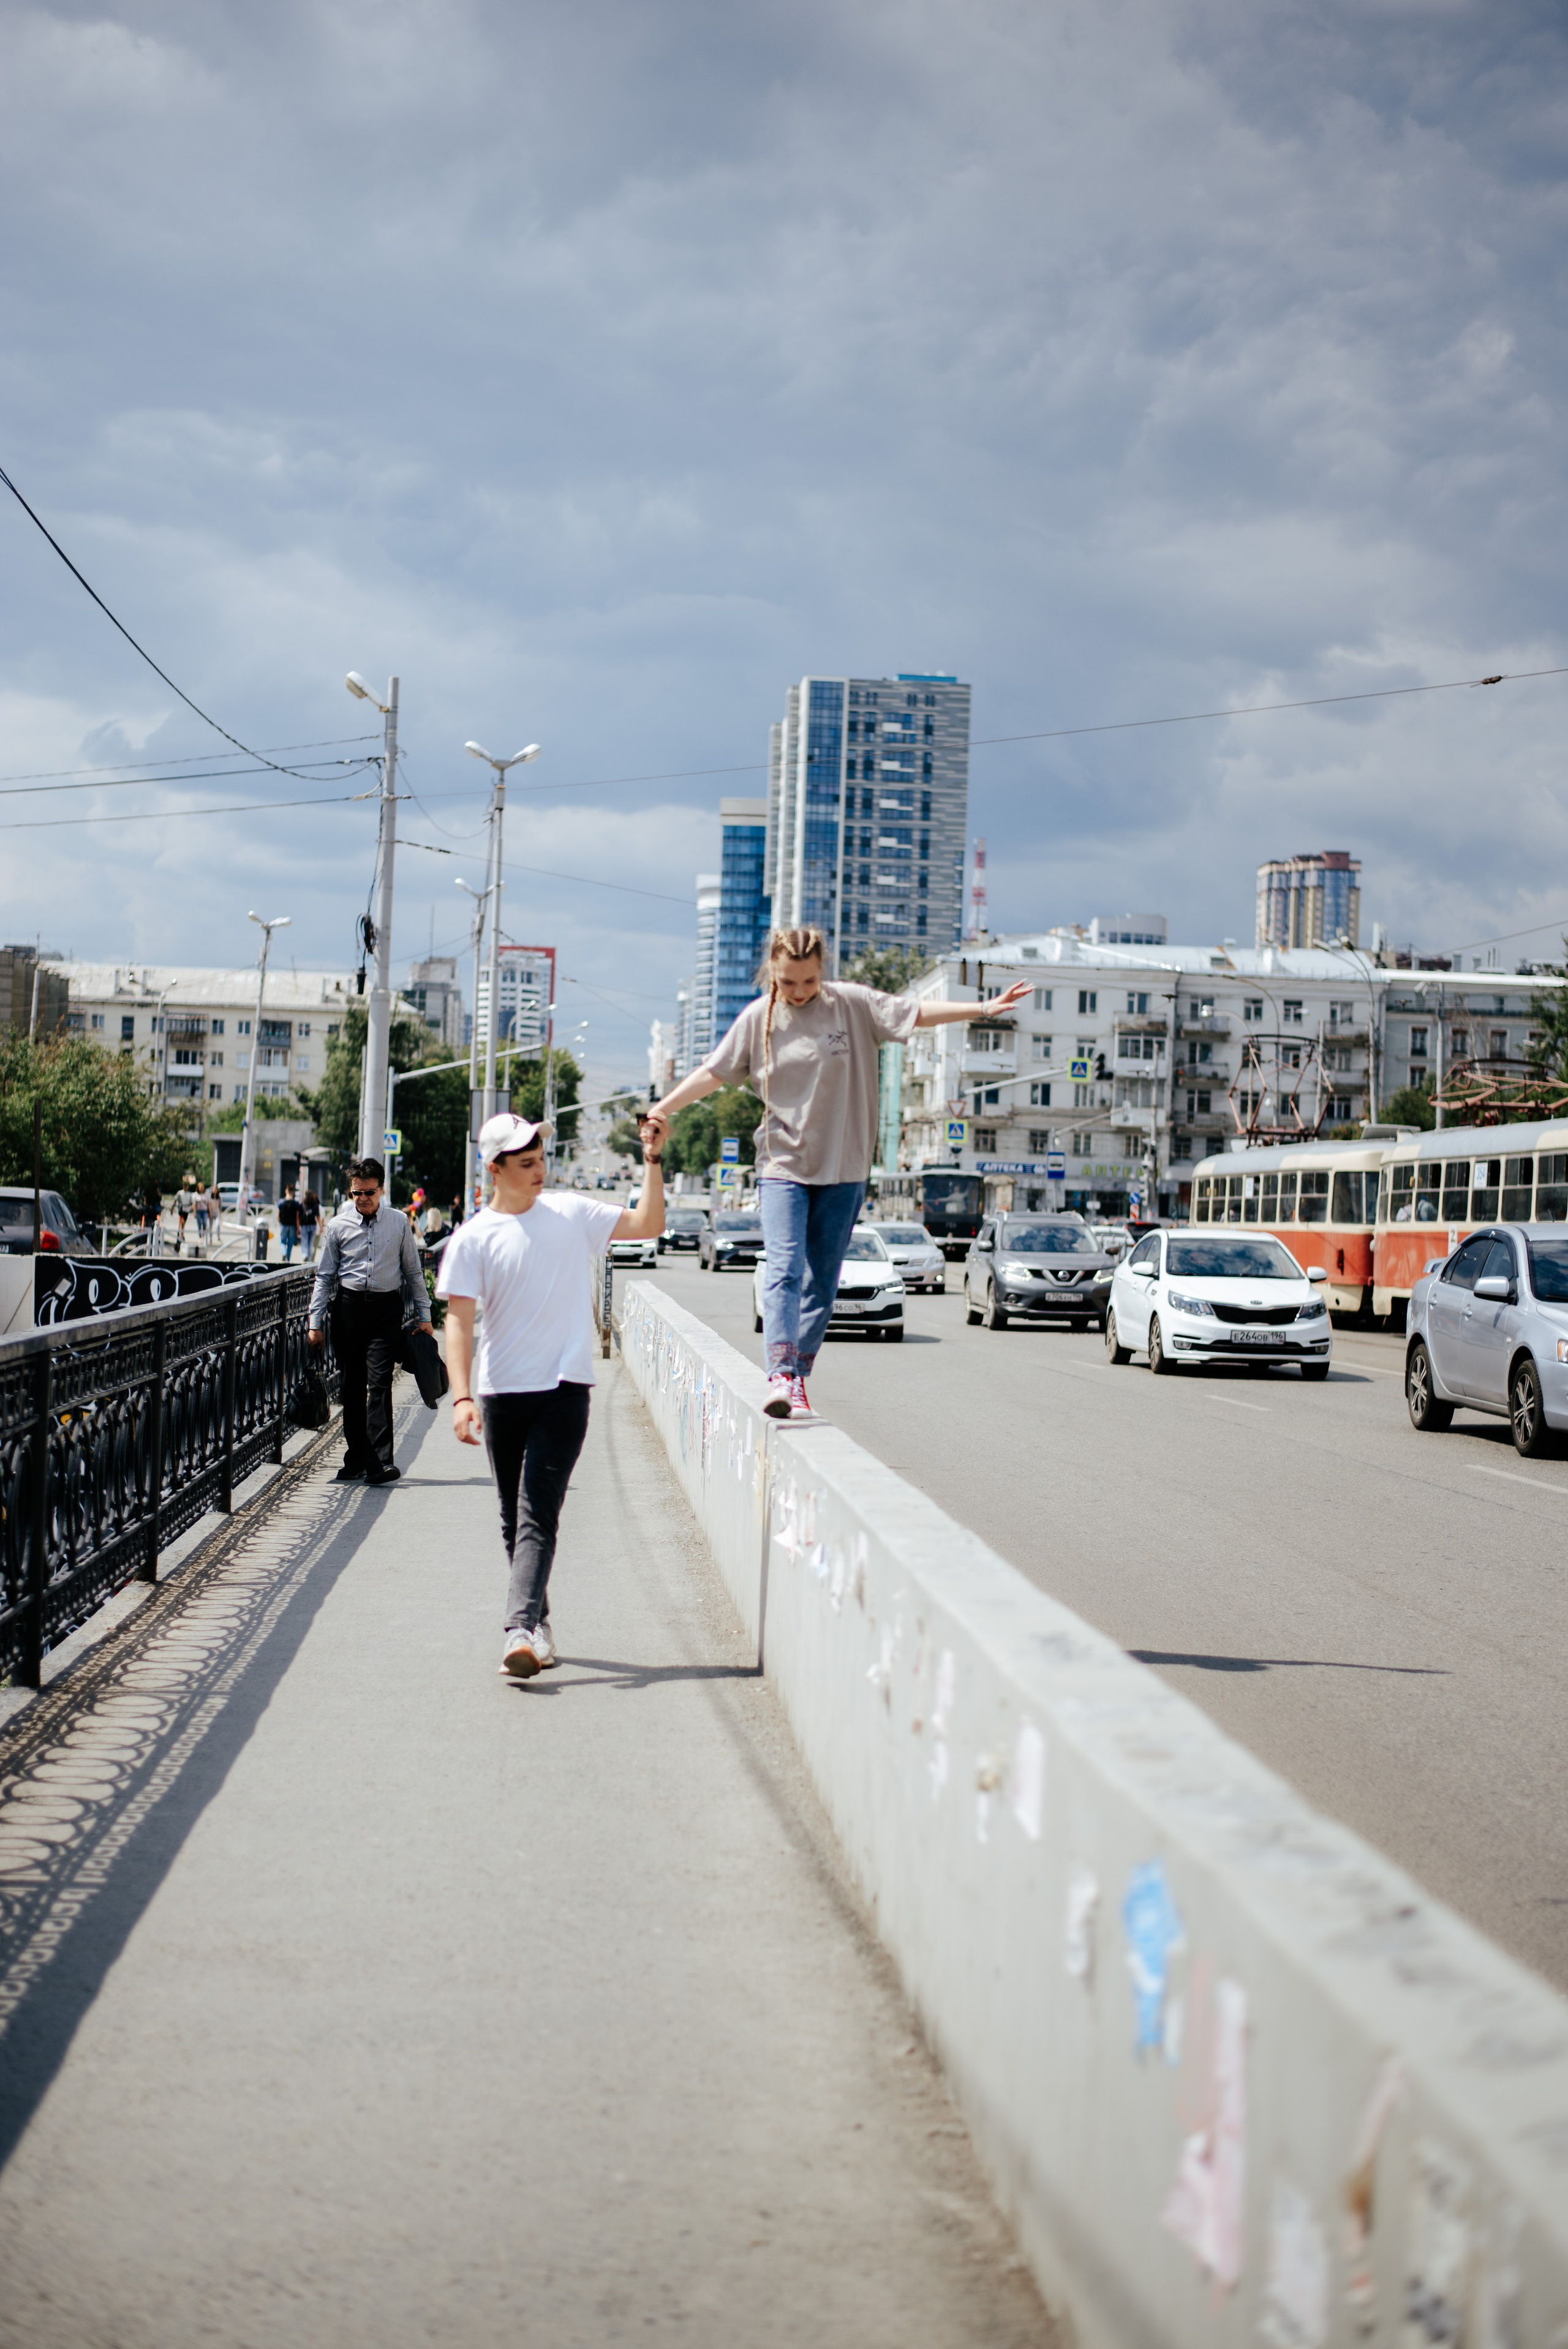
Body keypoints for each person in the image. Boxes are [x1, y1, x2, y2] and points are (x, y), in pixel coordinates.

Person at [646, 926, 1031, 1419]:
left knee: (822, 1281)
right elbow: (714, 1072)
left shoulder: (851, 1005)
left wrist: (982, 1008)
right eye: (788, 982)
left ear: (821, 971)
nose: (800, 992)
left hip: (845, 1166)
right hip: (783, 1164)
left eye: (808, 981)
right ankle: (781, 1373)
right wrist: (663, 1107)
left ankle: (800, 1372)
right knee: (783, 1268)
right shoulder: (758, 1019)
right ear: (773, 973)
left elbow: (914, 1014)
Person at [438, 1109, 666, 1680]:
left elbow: (648, 1223)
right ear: (494, 1169)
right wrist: (462, 1398)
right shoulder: (472, 1240)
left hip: (564, 1391)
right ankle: (538, 1622)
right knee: (513, 1519)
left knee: (538, 1512)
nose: (540, 1170)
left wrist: (653, 1161)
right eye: (526, 1162)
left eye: (542, 1159)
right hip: (500, 1393)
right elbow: (459, 1324)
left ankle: (518, 1628)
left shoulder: (570, 1213)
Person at [307, 1156, 432, 1486]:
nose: (362, 1199)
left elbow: (413, 1273)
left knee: (379, 1385)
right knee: (351, 1388)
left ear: (382, 1190)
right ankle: (357, 1459)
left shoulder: (399, 1223)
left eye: (369, 1193)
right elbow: (325, 1277)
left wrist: (425, 1315)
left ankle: (380, 1462)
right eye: (356, 1194)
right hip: (348, 1312)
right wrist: (315, 1321)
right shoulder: (337, 1227)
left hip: (385, 1312)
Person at [277, 1182, 301, 1264]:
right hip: (292, 1225)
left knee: (283, 1241)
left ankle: (283, 1253)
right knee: (290, 1243)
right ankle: (288, 1260)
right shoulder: (296, 1204)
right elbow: (297, 1217)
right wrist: (298, 1228)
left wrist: (279, 1223)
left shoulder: (281, 1202)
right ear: (293, 1192)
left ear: (286, 1191)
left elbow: (278, 1216)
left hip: (284, 1224)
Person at [300, 1189, 321, 1262]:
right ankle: (309, 1260)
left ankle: (305, 1254)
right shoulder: (315, 1205)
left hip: (304, 1225)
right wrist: (321, 1226)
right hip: (313, 1225)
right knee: (310, 1244)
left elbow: (300, 1216)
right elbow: (318, 1217)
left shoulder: (303, 1204)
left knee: (304, 1242)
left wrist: (298, 1226)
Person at [194, 1186, 210, 1250]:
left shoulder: (207, 1195)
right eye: (200, 1188)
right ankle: (200, 1236)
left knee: (204, 1223)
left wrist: (209, 1212)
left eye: (202, 1188)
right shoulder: (195, 1195)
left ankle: (204, 1236)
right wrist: (194, 1212)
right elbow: (194, 1205)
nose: (201, 1189)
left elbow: (209, 1204)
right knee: (199, 1223)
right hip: (198, 1211)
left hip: (205, 1211)